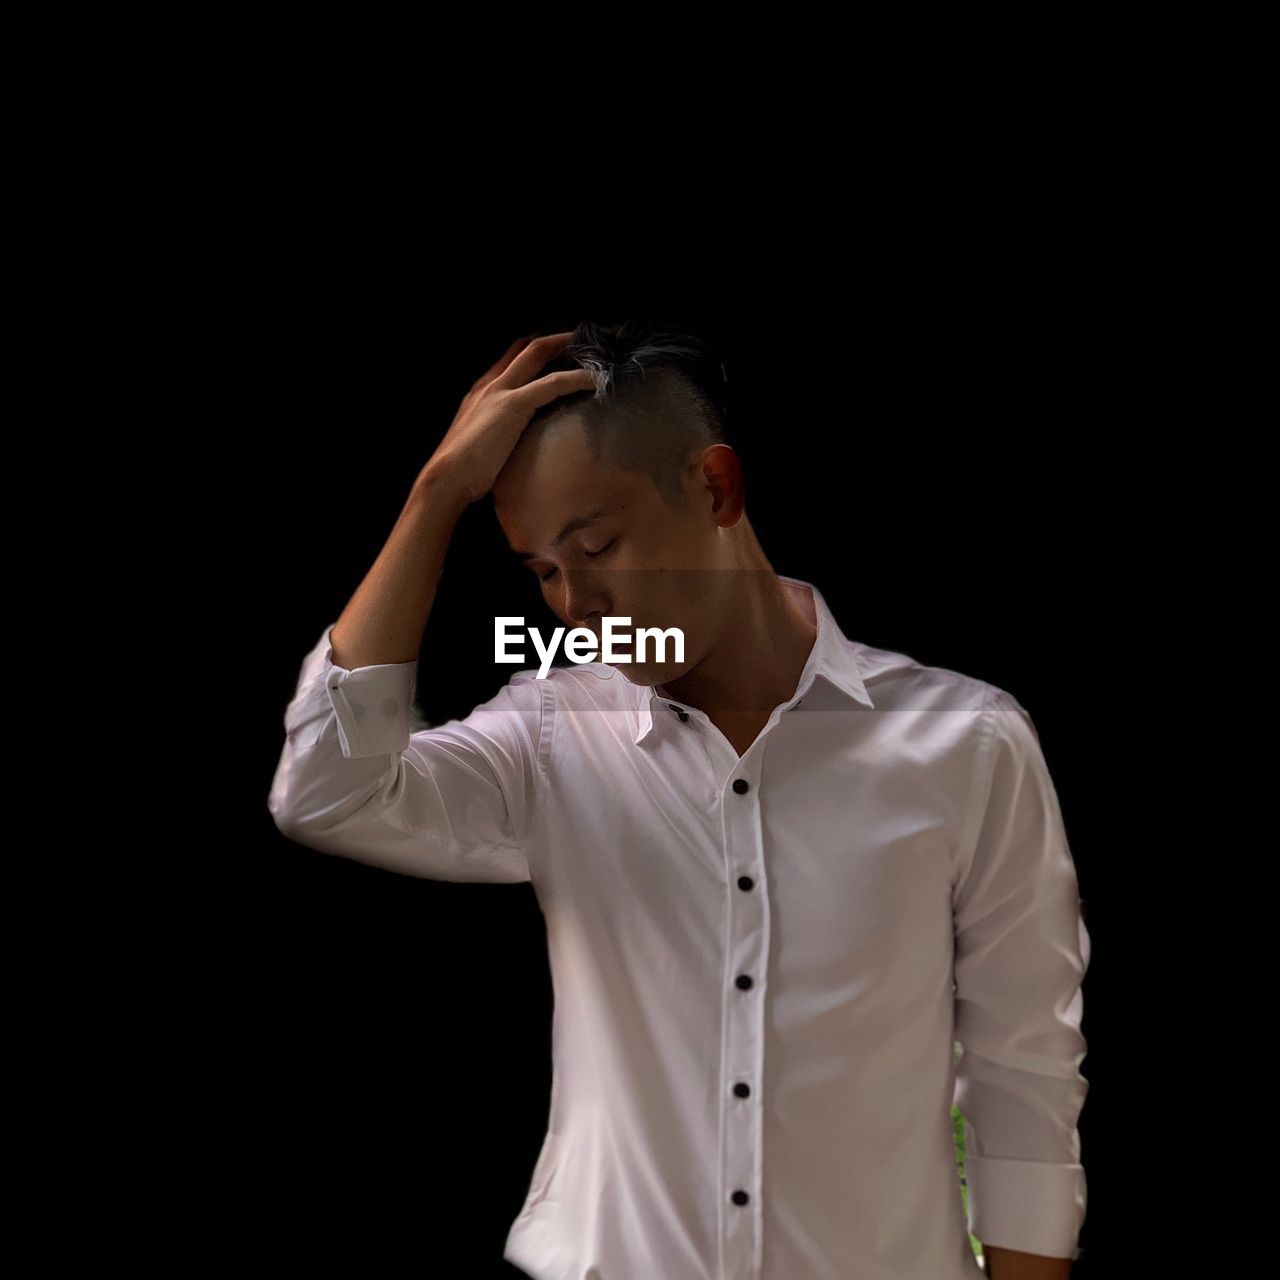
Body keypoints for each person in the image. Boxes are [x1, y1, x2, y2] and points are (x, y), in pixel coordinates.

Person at [268, 322, 1090, 1280]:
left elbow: (1020, 1070)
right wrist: (433, 496)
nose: (572, 604)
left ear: (715, 488)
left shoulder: (969, 743)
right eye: (541, 572)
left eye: (599, 545)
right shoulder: (548, 734)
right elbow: (326, 792)